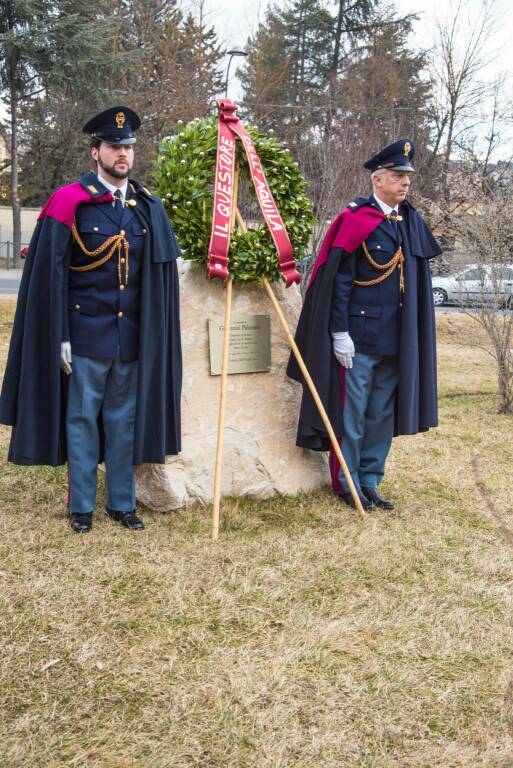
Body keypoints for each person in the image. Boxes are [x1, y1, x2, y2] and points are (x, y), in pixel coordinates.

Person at [0, 106, 182, 533]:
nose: (123, 155)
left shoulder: (145, 207)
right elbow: (51, 277)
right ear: (95, 152)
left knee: (124, 420)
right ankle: (81, 505)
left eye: (128, 148)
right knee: (81, 418)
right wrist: (58, 336)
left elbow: (157, 279)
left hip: (131, 337)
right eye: (115, 147)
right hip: (84, 334)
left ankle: (121, 502)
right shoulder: (70, 202)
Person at [287, 139, 441, 510]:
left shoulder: (410, 223)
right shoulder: (356, 219)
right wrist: (339, 333)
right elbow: (338, 281)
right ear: (378, 179)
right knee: (351, 415)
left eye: (407, 176)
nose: (405, 183)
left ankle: (371, 479)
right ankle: (347, 483)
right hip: (358, 338)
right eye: (398, 176)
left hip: (395, 340)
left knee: (380, 415)